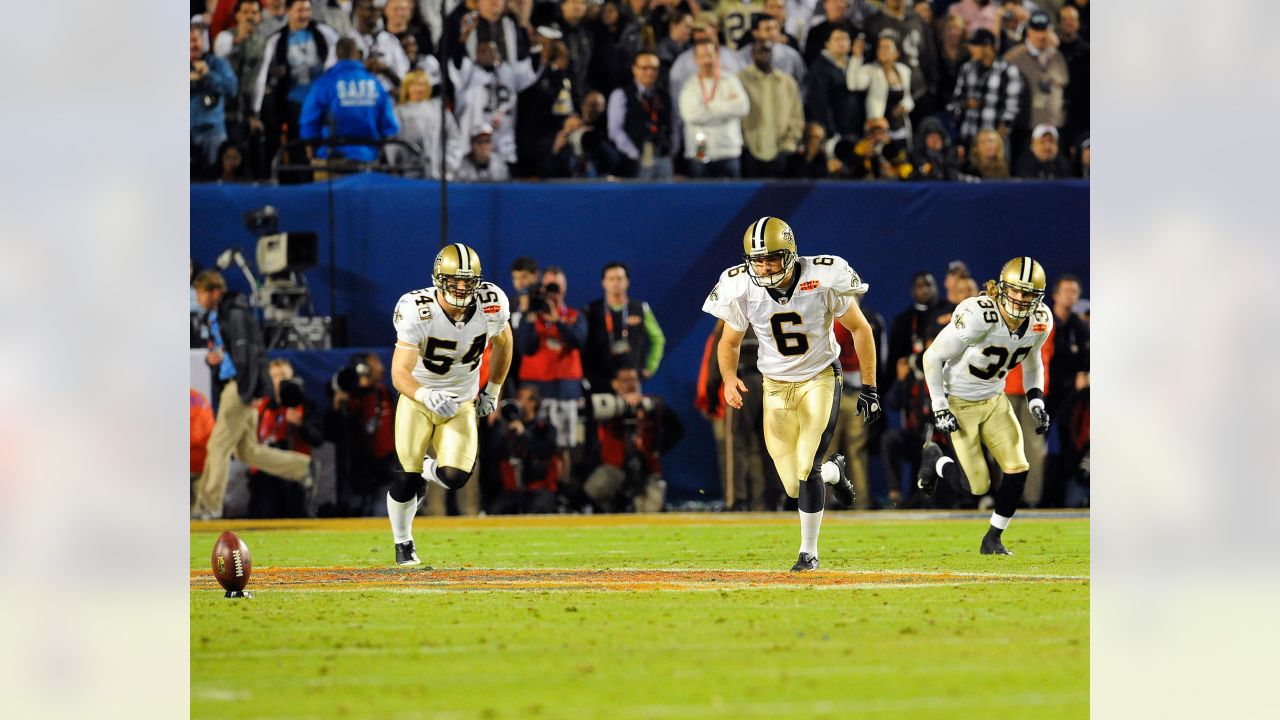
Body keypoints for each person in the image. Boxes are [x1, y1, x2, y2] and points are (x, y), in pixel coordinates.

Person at [703, 216, 882, 571]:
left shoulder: (825, 276)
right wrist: (727, 378)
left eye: (772, 257)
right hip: (775, 388)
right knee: (793, 485)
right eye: (758, 259)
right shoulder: (740, 286)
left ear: (791, 253)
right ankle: (833, 471)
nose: (765, 266)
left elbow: (860, 329)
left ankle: (808, 552)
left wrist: (870, 386)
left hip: (820, 378)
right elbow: (728, 341)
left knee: (805, 467)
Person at [387, 244, 514, 565]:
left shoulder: (492, 303)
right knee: (405, 479)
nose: (461, 287)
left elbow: (504, 343)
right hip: (418, 399)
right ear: (437, 278)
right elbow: (399, 373)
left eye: (468, 281)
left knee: (456, 476)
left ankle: (425, 473)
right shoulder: (417, 308)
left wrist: (493, 390)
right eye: (453, 280)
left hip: (459, 403)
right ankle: (403, 544)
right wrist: (425, 394)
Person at [917, 257, 1053, 555]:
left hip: (994, 399)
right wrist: (940, 406)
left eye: (1027, 293)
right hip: (960, 402)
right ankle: (936, 460)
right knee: (976, 485)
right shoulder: (979, 315)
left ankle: (993, 537)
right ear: (1002, 289)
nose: (1020, 299)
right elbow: (931, 358)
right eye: (1015, 290)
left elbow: (1033, 363)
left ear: (1038, 297)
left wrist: (1035, 401)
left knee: (1018, 468)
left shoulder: (1040, 320)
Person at [191, 270, 313, 520]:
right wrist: (214, 360)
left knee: (218, 445)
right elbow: (232, 353)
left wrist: (248, 391)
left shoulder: (233, 314)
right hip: (237, 384)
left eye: (202, 293)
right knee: (247, 451)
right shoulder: (221, 315)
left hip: (239, 386)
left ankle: (208, 507)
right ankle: (303, 467)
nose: (199, 298)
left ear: (215, 292)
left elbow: (248, 355)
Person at [252, 0, 340, 182]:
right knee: (299, 146)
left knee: (323, 143)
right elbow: (262, 76)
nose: (304, 15)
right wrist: (255, 110)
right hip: (294, 102)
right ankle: (302, 182)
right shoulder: (277, 40)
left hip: (322, 100)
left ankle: (326, 181)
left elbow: (340, 58)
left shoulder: (325, 33)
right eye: (299, 10)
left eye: (307, 10)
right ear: (288, 12)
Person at [583, 367, 682, 513]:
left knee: (651, 509)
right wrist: (620, 406)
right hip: (614, 467)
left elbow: (677, 429)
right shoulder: (609, 405)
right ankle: (612, 510)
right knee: (594, 489)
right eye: (625, 380)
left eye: (633, 379)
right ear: (615, 384)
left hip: (647, 468)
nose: (630, 384)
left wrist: (657, 448)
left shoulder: (652, 405)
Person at [299, 37, 401, 168]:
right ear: (357, 54)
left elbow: (309, 120)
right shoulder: (375, 84)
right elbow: (390, 125)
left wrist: (310, 149)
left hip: (331, 160)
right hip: (368, 160)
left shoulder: (323, 83)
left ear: (336, 55)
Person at [248, 359, 324, 518]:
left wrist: (301, 424)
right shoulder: (261, 406)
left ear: (291, 377)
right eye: (275, 376)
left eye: (283, 375)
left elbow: (318, 439)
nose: (279, 380)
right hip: (265, 476)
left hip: (295, 476)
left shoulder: (304, 405)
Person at [583, 262, 666, 392]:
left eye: (620, 278)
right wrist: (588, 374)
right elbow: (583, 346)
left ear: (627, 281)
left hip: (631, 382)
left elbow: (658, 339)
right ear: (604, 283)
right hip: (600, 382)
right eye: (611, 279)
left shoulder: (640, 308)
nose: (616, 283)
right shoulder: (592, 311)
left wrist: (650, 367)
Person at [679, 39, 751, 179]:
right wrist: (727, 110)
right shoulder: (690, 86)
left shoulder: (730, 80)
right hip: (699, 155)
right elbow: (692, 116)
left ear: (717, 56)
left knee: (732, 199)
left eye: (710, 55)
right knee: (699, 199)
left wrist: (710, 106)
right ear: (696, 60)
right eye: (702, 56)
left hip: (729, 153)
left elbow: (743, 107)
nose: (707, 60)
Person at [737, 40, 805, 179]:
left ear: (772, 53)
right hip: (749, 149)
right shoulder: (740, 79)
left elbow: (797, 115)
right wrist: (742, 143)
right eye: (758, 50)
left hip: (781, 149)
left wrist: (789, 143)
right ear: (752, 54)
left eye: (766, 50)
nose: (763, 54)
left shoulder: (786, 82)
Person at [489, 385, 561, 515]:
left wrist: (524, 435)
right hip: (513, 490)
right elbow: (498, 456)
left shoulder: (544, 428)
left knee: (535, 510)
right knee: (495, 511)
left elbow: (545, 451)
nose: (518, 402)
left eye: (522, 398)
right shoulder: (509, 426)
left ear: (533, 403)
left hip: (539, 487)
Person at [947, 28, 1020, 152]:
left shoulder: (1008, 71)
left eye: (975, 45)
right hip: (969, 137)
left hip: (994, 140)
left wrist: (999, 136)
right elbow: (953, 103)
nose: (970, 49)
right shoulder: (967, 68)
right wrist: (966, 104)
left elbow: (1012, 108)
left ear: (988, 47)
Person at [607, 50, 677, 179]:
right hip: (635, 159)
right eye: (644, 68)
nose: (650, 72)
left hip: (663, 156)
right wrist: (634, 153)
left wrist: (672, 150)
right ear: (634, 69)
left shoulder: (664, 95)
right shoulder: (621, 95)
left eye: (654, 68)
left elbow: (674, 123)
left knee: (666, 195)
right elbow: (615, 130)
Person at [391, 70, 464, 178]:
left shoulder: (438, 109)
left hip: (438, 175)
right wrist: (394, 166)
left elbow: (453, 137)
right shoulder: (398, 112)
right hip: (408, 174)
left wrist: (448, 164)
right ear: (407, 88)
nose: (418, 89)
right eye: (414, 85)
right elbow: (393, 143)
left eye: (422, 84)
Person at [191, 20, 239, 177]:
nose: (193, 45)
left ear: (204, 41)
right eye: (188, 41)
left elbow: (232, 89)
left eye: (196, 39)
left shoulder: (217, 64)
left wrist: (208, 75)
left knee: (214, 177)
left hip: (212, 132)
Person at [351, 0, 413, 92]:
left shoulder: (390, 40)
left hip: (387, 98)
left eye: (378, 10)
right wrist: (362, 67)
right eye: (370, 9)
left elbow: (405, 80)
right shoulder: (347, 41)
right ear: (357, 10)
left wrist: (387, 70)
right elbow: (334, 79)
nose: (375, 14)